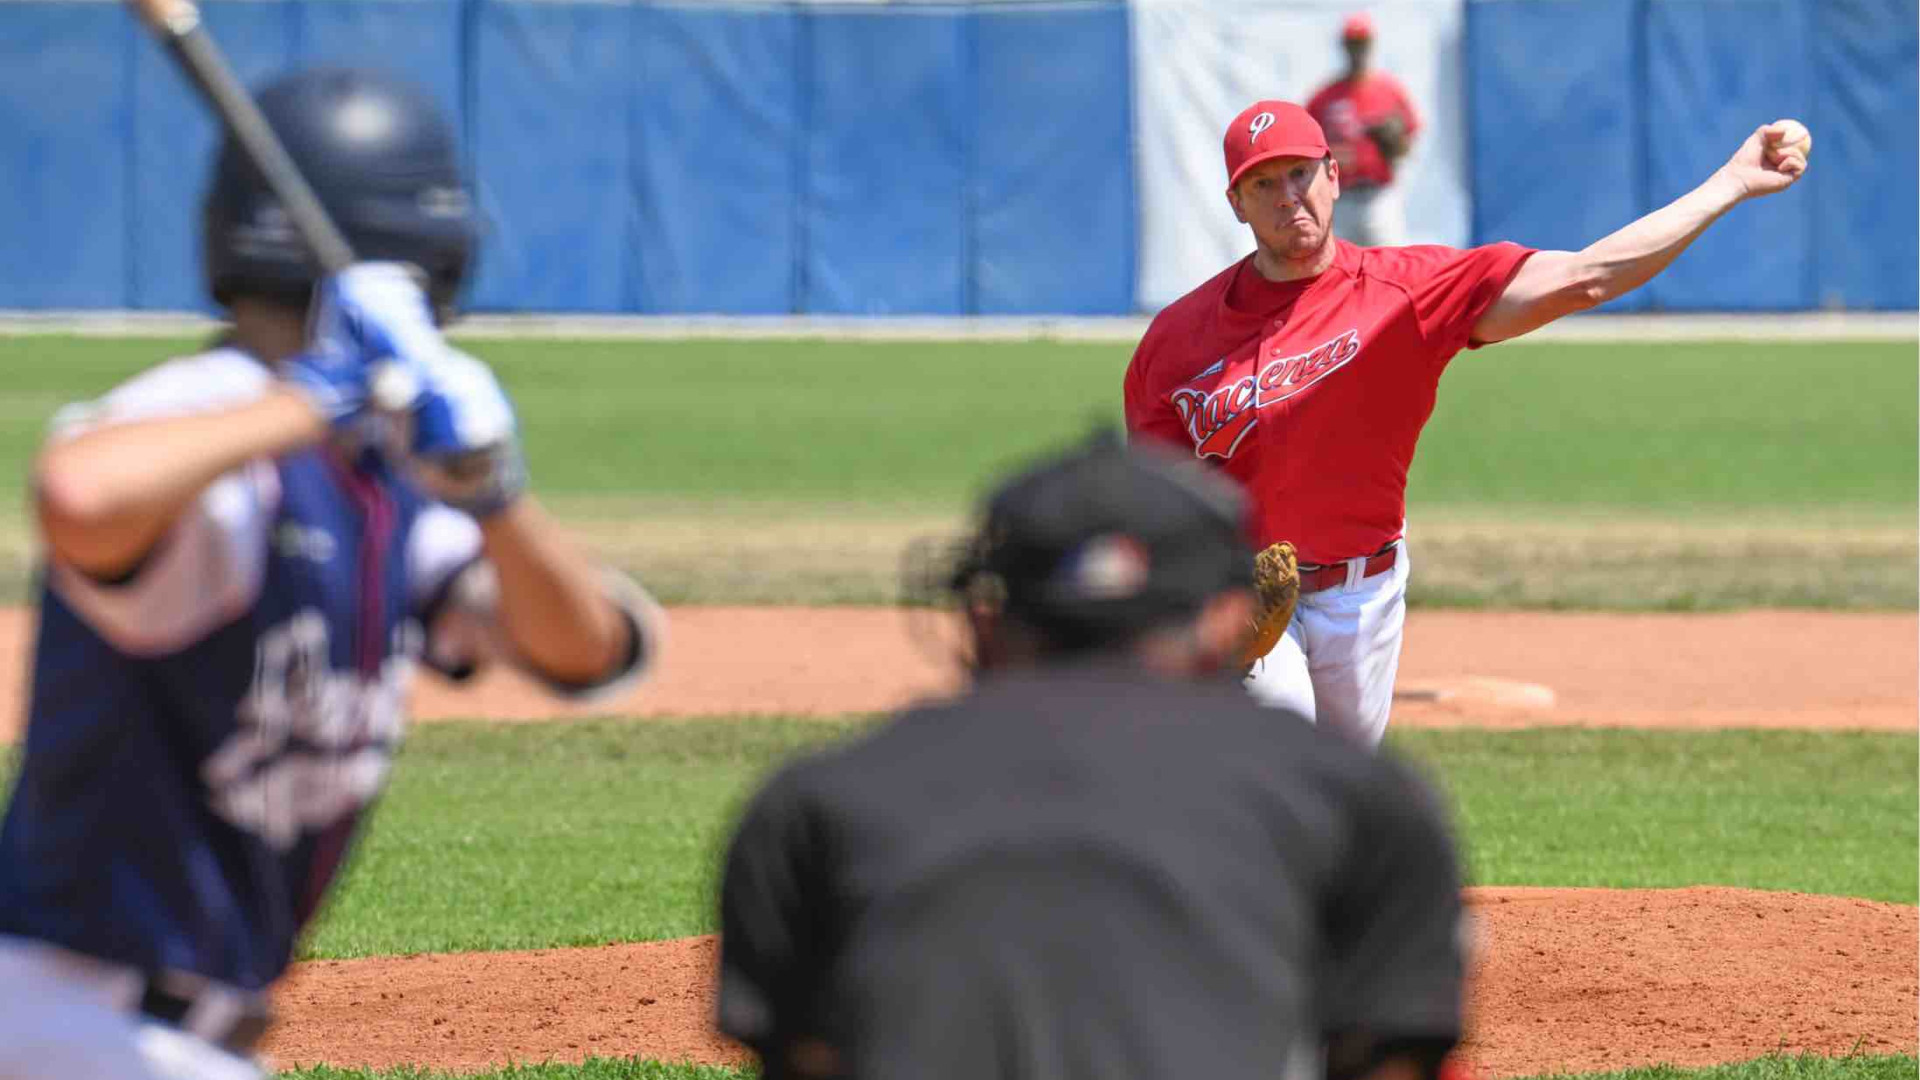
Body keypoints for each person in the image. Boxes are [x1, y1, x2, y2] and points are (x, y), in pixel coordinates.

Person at [0, 67, 664, 1079]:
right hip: (68, 1022)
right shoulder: (208, 417)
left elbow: (584, 650)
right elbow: (81, 500)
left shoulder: (386, 477)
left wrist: (495, 495)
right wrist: (321, 396)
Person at [716, 432, 1471, 1080]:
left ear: (984, 614)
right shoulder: (1357, 802)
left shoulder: (817, 803)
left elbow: (806, 1055)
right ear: (1228, 620)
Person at [1122, 101, 1809, 749]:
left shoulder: (1409, 291)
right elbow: (1149, 495)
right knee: (1283, 762)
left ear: (1333, 175)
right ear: (1236, 204)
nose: (1286, 196)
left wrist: (1731, 182)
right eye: (1262, 182)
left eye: (1299, 173)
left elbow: (1588, 277)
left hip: (1365, 594)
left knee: (1342, 793)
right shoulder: (1178, 339)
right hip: (1247, 593)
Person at [1306, 13, 1421, 246]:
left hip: (1379, 197)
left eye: (1363, 43)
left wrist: (1394, 145)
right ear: (1344, 47)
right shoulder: (1325, 97)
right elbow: (1305, 146)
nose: (1358, 51)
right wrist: (1333, 157)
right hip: (1339, 199)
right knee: (1339, 274)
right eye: (1353, 44)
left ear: (1371, 46)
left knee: (1391, 268)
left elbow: (1408, 142)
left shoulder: (1389, 91)